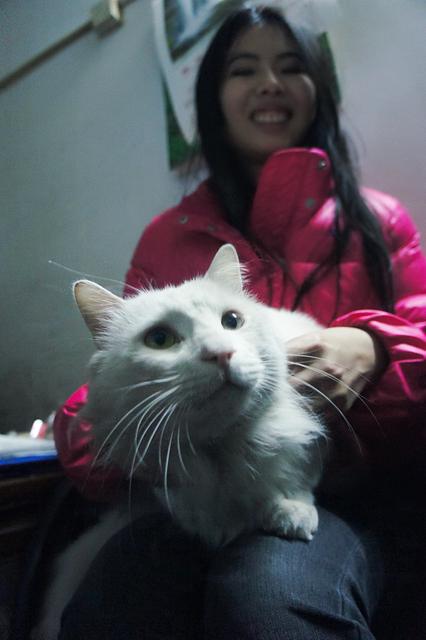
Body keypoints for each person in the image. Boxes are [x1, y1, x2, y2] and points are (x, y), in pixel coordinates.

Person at [53, 5, 426, 639]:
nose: (269, 84)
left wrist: (375, 346)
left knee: (269, 595)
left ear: (318, 85)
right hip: (185, 495)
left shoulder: (379, 218)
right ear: (212, 96)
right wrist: (113, 433)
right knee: (114, 598)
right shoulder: (166, 236)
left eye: (290, 66)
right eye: (244, 69)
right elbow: (104, 398)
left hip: (352, 493)